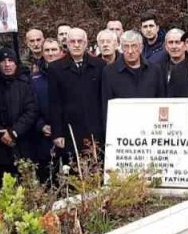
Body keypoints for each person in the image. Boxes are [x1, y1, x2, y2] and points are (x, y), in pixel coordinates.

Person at [0, 47, 38, 181]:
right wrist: (0, 133)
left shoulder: (24, 83)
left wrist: (14, 132)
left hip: (22, 145)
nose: (7, 64)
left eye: (10, 60)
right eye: (3, 61)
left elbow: (31, 110)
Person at [48, 27, 106, 162]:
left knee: (97, 169)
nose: (76, 45)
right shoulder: (55, 68)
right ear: (67, 44)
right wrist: (57, 133)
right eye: (72, 41)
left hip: (95, 128)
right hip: (70, 130)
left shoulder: (100, 66)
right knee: (74, 172)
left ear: (86, 43)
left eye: (80, 41)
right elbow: (54, 103)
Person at [101, 30, 162, 119]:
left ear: (141, 48)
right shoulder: (109, 72)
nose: (130, 51)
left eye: (134, 46)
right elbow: (106, 106)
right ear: (121, 48)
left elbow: (162, 101)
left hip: (149, 124)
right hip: (122, 126)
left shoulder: (155, 70)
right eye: (126, 46)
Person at [26, 45, 56, 182]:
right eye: (47, 50)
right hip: (44, 137)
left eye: (54, 49)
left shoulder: (70, 74)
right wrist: (41, 125)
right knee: (47, 181)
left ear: (60, 51)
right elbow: (30, 106)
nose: (51, 53)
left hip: (67, 135)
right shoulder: (34, 79)